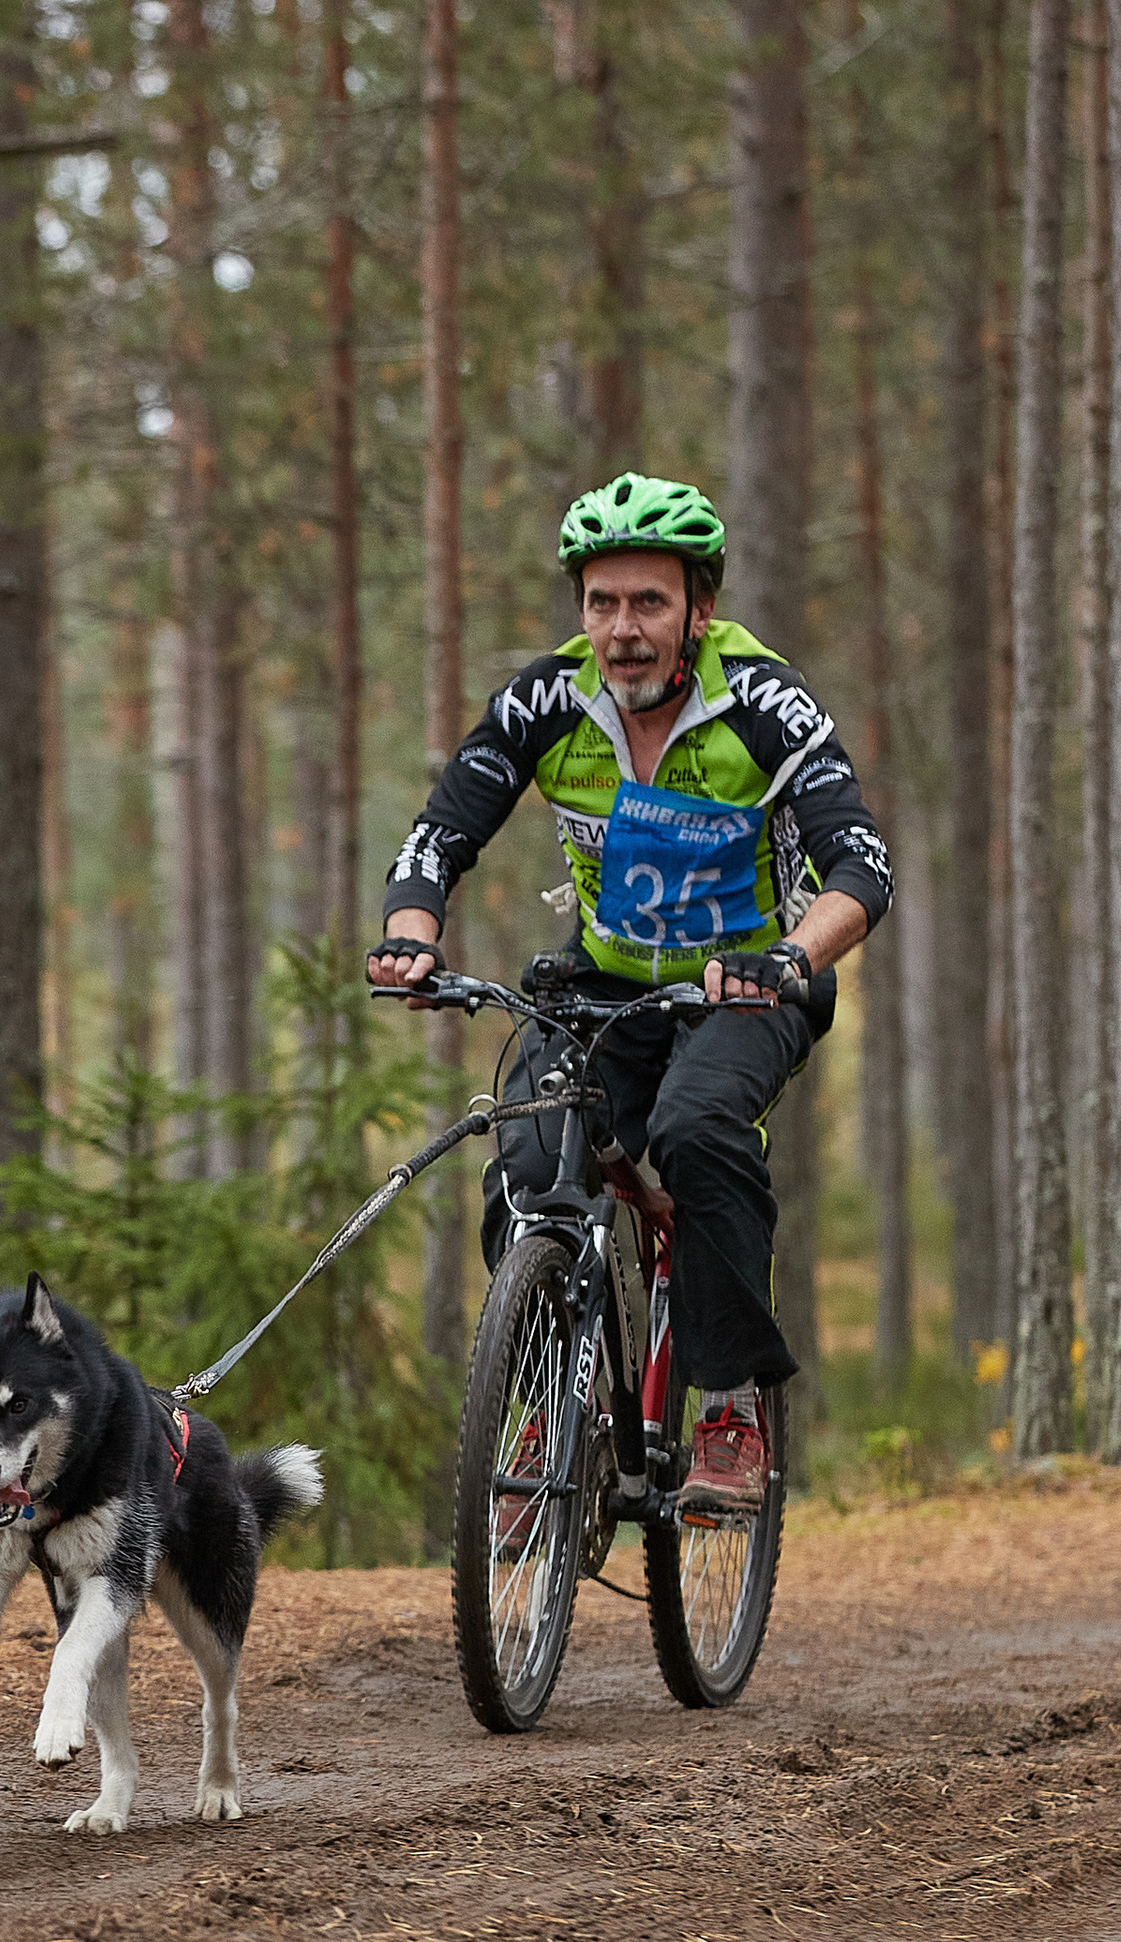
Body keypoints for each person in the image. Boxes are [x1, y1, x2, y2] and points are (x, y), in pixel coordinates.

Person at [364, 472, 893, 1511]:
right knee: (525, 1146)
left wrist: (792, 955)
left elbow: (861, 864)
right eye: (601, 604)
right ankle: (542, 1396)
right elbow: (442, 830)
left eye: (648, 603)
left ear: (699, 609)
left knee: (698, 1128)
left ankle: (731, 1401)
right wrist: (409, 937)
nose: (622, 630)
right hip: (606, 982)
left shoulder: (765, 703)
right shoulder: (545, 700)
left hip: (746, 983)